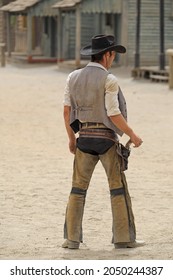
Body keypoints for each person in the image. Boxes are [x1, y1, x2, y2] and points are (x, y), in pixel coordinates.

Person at [62, 34, 144, 249]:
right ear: (107, 55)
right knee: (117, 188)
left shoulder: (73, 77)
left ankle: (71, 239)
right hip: (106, 140)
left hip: (84, 138)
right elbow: (114, 113)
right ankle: (124, 238)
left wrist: (72, 139)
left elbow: (66, 111)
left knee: (77, 190)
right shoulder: (109, 79)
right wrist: (132, 135)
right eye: (113, 54)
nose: (114, 58)